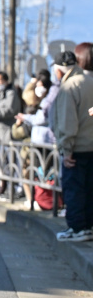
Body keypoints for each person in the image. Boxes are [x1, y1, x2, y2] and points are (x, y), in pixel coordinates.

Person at [51, 51, 93, 241]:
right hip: (90, 145)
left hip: (76, 148)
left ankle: (77, 228)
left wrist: (66, 149)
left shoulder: (69, 86)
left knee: (74, 189)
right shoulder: (89, 80)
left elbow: (68, 122)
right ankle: (88, 226)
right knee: (89, 189)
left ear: (59, 70)